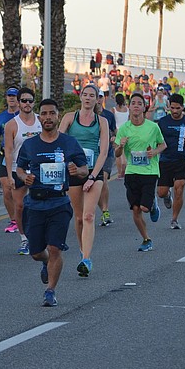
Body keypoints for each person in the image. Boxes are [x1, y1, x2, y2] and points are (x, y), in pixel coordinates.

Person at [17, 99, 88, 306]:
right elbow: (20, 168)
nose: (48, 117)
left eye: (52, 113)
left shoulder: (69, 143)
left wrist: (77, 171)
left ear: (58, 116)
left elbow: (84, 169)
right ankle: (46, 261)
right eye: (44, 114)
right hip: (35, 204)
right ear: (39, 118)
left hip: (59, 203)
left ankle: (50, 291)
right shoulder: (30, 145)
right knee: (37, 252)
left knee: (55, 248)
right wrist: (24, 177)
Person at [58, 85, 109, 277]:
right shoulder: (70, 118)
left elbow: (103, 151)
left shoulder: (101, 121)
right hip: (73, 170)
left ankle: (87, 259)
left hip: (93, 171)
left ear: (97, 100)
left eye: (92, 96)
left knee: (89, 216)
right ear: (81, 97)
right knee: (79, 218)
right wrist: (68, 162)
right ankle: (82, 251)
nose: (88, 98)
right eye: (85, 95)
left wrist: (94, 176)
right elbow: (59, 141)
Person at [114, 93, 166, 252]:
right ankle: (146, 239)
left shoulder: (153, 127)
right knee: (135, 209)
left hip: (149, 171)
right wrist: (121, 146)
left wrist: (155, 152)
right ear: (129, 107)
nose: (136, 106)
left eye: (139, 103)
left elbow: (163, 145)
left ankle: (153, 206)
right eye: (133, 103)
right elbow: (116, 153)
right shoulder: (124, 129)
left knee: (144, 208)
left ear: (144, 108)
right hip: (132, 171)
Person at [3, 87, 42, 255]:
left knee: (39, 204)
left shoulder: (42, 121)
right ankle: (24, 238)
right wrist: (10, 175)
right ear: (18, 103)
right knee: (19, 206)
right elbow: (9, 150)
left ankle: (39, 236)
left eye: (30, 101)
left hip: (40, 169)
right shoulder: (12, 125)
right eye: (24, 101)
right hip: (18, 169)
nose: (27, 104)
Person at [155, 94, 185, 230]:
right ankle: (167, 195)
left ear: (182, 107)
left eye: (177, 108)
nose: (174, 111)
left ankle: (174, 219)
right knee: (161, 192)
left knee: (179, 187)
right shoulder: (163, 122)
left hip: (183, 160)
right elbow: (155, 138)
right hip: (165, 160)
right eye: (172, 108)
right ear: (169, 107)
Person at [0, 88, 21, 234]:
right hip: (4, 154)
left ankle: (23, 217)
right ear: (6, 98)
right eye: (9, 96)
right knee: (7, 188)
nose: (12, 98)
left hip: (21, 155)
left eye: (14, 96)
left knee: (20, 189)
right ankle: (14, 220)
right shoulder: (1, 118)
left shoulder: (24, 116)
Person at [96, 89, 117, 228]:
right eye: (95, 97)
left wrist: (115, 138)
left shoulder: (109, 115)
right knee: (95, 184)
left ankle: (105, 210)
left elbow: (115, 131)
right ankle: (103, 210)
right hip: (93, 154)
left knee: (103, 179)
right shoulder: (87, 116)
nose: (97, 100)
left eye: (99, 97)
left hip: (107, 152)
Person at [112, 93, 129, 178]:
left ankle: (119, 172)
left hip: (117, 131)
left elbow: (112, 121)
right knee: (125, 152)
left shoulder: (114, 109)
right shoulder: (127, 109)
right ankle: (125, 169)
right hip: (126, 132)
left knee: (118, 153)